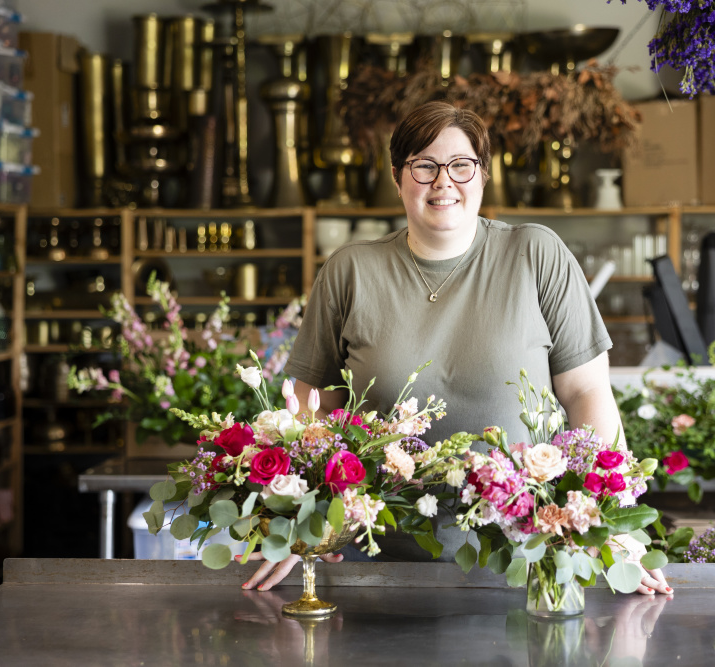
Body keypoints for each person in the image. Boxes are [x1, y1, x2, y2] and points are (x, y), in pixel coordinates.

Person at [242, 100, 670, 597]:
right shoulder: (350, 270)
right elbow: (312, 411)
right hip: (372, 560)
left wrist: (609, 523)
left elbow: (587, 394)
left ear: (483, 176)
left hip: (525, 553)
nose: (443, 182)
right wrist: (295, 520)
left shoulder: (536, 254)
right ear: (399, 177)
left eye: (461, 165)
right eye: (424, 166)